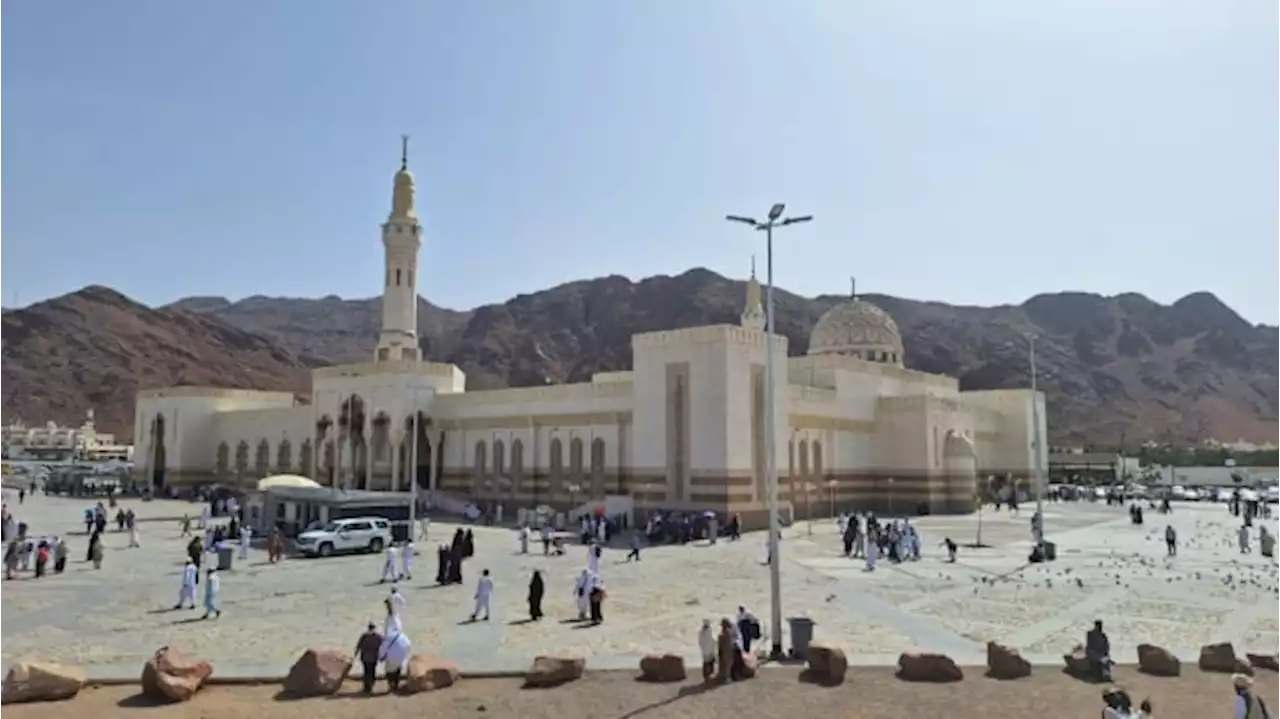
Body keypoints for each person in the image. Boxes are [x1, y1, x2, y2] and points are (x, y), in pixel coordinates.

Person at [354, 622, 383, 695]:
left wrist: (355, 654)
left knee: (366, 672)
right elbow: (383, 646)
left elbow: (358, 646)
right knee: (372, 672)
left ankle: (366, 687)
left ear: (368, 628)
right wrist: (382, 656)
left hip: (365, 657)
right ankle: (371, 687)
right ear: (374, 628)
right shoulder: (378, 636)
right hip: (374, 657)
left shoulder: (364, 636)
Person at [698, 618, 717, 684]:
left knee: (707, 663)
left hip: (706, 651)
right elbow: (711, 640)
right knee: (709, 664)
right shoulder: (708, 631)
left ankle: (706, 676)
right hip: (709, 650)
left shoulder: (701, 632)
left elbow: (700, 642)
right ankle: (708, 676)